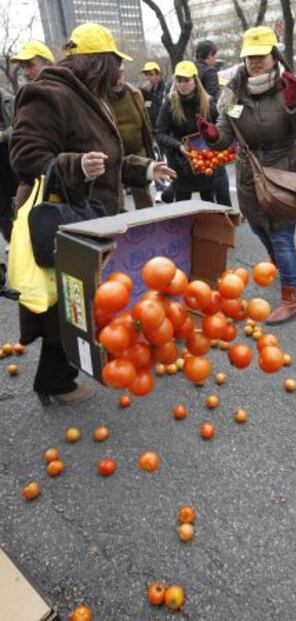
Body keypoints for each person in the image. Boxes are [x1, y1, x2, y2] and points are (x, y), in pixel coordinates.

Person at [9, 22, 175, 405]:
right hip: (61, 219)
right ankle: (58, 380)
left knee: (73, 299)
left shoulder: (91, 96)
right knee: (63, 301)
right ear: (98, 62)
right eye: (115, 62)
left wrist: (146, 169)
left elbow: (108, 158)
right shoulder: (49, 93)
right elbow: (25, 157)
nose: (120, 71)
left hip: (88, 216)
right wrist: (77, 166)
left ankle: (56, 376)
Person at [197, 26, 296, 323]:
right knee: (257, 227)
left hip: (284, 169)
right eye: (249, 57)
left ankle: (290, 298)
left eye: (260, 56)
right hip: (249, 171)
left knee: (281, 234)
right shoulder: (234, 91)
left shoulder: (289, 85)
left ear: (273, 55)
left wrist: (295, 105)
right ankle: (278, 262)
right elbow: (226, 135)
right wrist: (213, 134)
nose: (254, 62)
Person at [156, 60, 217, 203]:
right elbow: (160, 133)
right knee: (183, 204)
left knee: (208, 203)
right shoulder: (170, 102)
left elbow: (221, 126)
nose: (182, 84)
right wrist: (178, 145)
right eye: (179, 80)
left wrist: (213, 135)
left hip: (205, 158)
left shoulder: (208, 102)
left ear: (195, 81)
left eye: (186, 80)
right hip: (180, 161)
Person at [108, 66, 155, 209]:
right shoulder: (101, 97)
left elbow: (145, 122)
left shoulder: (134, 93)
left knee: (143, 196)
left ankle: (149, 226)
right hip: (115, 154)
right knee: (116, 199)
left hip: (138, 150)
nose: (118, 80)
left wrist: (150, 147)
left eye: (120, 74)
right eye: (113, 76)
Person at [194, 39, 232, 207]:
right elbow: (216, 105)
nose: (215, 60)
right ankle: (226, 210)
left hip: (190, 129)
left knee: (205, 172)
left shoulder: (187, 71)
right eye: (214, 55)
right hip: (208, 128)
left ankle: (209, 210)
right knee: (219, 174)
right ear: (210, 55)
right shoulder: (209, 72)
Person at [140, 61, 166, 204]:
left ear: (158, 75)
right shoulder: (144, 92)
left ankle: (170, 188)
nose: (149, 78)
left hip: (166, 131)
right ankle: (160, 189)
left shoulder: (165, 89)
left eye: (151, 74)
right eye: (147, 75)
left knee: (168, 160)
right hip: (152, 133)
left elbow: (161, 106)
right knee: (157, 161)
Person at [0, 87, 16, 246]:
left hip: (12, 159)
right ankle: (10, 240)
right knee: (3, 206)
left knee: (22, 201)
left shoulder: (10, 100)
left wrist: (4, 135)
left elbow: (20, 127)